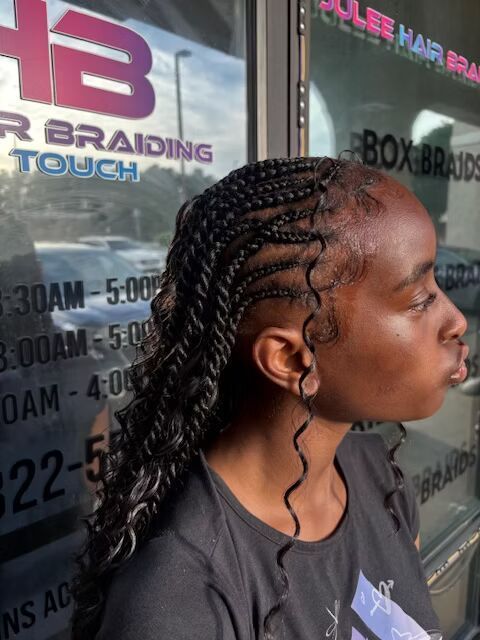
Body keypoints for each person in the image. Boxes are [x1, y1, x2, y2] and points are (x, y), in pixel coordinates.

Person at [70, 156, 468, 640]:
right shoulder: (179, 599)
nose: (456, 320)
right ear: (293, 359)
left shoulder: (381, 479)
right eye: (420, 300)